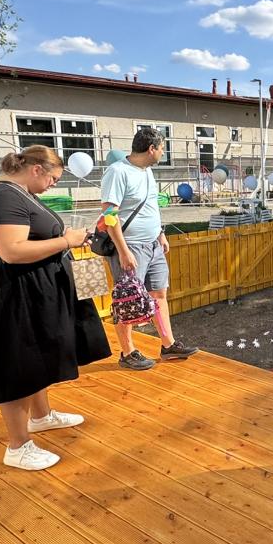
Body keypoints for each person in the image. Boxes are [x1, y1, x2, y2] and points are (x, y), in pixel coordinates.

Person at [0, 145, 110, 471]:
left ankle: (41, 416)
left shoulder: (21, 194)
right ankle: (18, 446)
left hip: (33, 288)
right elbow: (12, 251)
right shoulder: (3, 197)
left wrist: (71, 237)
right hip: (14, 292)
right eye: (53, 179)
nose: (53, 185)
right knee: (19, 361)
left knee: (37, 354)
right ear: (37, 169)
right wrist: (66, 241)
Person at [100, 127, 198, 370]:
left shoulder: (147, 171)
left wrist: (160, 233)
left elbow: (150, 206)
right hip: (130, 246)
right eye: (162, 148)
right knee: (127, 298)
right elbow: (109, 215)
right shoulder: (118, 172)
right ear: (151, 149)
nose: (163, 152)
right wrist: (123, 251)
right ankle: (127, 353)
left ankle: (168, 345)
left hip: (153, 245)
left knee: (158, 294)